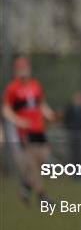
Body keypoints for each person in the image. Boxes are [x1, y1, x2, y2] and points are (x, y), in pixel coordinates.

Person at [2, 56, 55, 205]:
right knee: (32, 163)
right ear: (16, 71)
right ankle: (42, 196)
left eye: (25, 68)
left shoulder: (35, 85)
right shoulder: (12, 88)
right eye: (20, 69)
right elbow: (6, 110)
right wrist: (18, 121)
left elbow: (41, 105)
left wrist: (49, 114)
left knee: (43, 159)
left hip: (38, 128)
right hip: (24, 131)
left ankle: (26, 184)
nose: (23, 71)